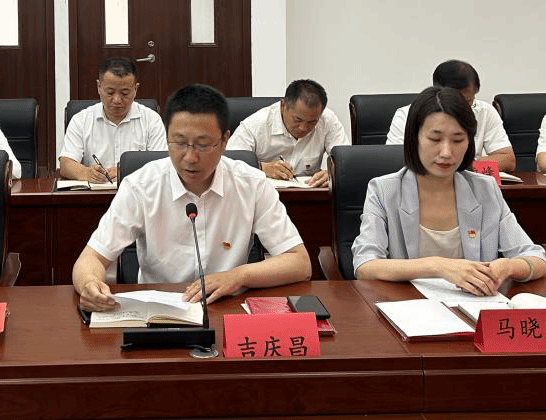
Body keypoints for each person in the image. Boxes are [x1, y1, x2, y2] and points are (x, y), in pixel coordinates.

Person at [72, 83, 311, 311]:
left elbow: (299, 262)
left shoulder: (252, 184)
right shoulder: (140, 186)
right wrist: (90, 284)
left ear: (224, 141)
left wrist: (237, 276)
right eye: (179, 143)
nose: (190, 157)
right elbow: (91, 258)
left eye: (203, 145)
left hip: (227, 308)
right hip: (160, 312)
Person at [353, 86, 546, 295]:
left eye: (458, 140)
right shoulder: (384, 190)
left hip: (474, 305)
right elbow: (365, 265)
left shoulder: (485, 189)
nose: (446, 152)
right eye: (435, 139)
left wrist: (507, 266)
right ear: (414, 138)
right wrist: (437, 266)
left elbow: (536, 259)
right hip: (408, 304)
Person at [386, 60, 515, 173]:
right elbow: (397, 162)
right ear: (438, 93)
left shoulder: (485, 111)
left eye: (469, 101)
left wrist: (460, 166)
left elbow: (507, 160)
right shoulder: (406, 115)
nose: (464, 108)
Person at [59, 57, 166, 184]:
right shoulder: (81, 120)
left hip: (138, 192)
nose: (117, 100)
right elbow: (66, 164)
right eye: (110, 92)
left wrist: (124, 171)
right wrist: (86, 173)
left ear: (136, 89)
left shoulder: (151, 120)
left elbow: (162, 164)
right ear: (99, 87)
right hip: (96, 193)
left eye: (124, 93)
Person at [227, 79, 349, 186]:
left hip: (310, 196)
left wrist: (332, 173)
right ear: (283, 105)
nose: (303, 128)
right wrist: (261, 167)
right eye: (298, 120)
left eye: (312, 122)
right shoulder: (255, 125)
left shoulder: (327, 120)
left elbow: (345, 161)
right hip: (263, 196)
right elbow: (228, 164)